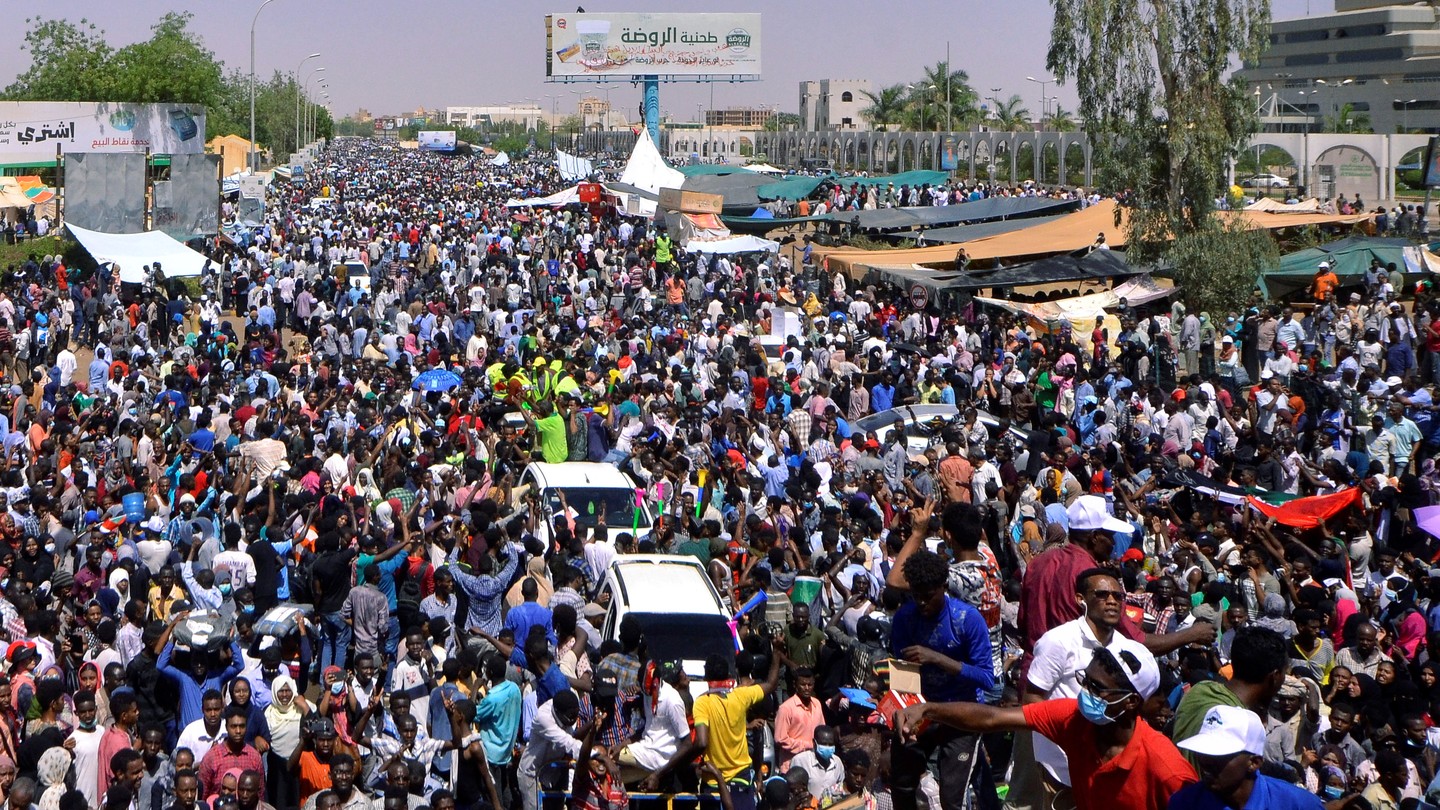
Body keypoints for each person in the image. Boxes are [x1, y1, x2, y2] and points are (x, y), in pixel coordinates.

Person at [894, 648, 1196, 810]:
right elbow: (992, 719)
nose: (1085, 693)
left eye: (1097, 688)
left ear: (1131, 703)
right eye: (1085, 681)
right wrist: (929, 709)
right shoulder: (1075, 720)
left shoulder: (1166, 771)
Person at [1167, 705, 1322, 810]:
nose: (1206, 763)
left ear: (1254, 762)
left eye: (1218, 755)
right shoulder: (1184, 803)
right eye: (1203, 752)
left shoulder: (1298, 804)